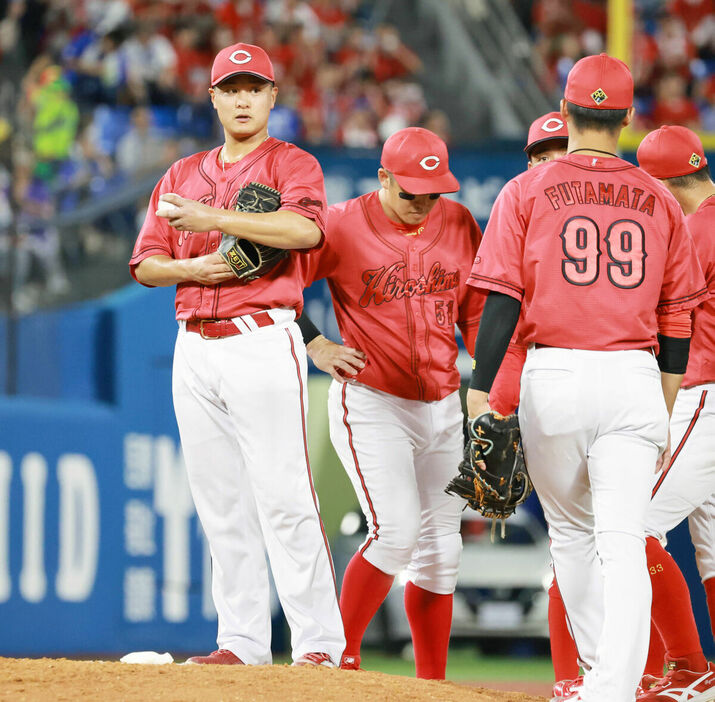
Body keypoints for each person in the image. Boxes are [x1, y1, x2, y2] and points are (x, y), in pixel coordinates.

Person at [465, 54, 708, 702]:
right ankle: (614, 687)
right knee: (623, 540)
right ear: (627, 118)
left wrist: (478, 390)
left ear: (566, 111)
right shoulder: (659, 197)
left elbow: (500, 300)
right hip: (634, 375)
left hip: (556, 375)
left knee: (571, 537)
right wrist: (658, 399)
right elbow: (678, 316)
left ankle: (599, 677)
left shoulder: (524, 190)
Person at [128, 42, 345, 667]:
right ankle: (243, 642)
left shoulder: (292, 164)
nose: (243, 98)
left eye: (255, 87)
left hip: (261, 337)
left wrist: (209, 215)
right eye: (232, 87)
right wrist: (195, 264)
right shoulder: (180, 174)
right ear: (215, 97)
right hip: (193, 346)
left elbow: (306, 231)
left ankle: (319, 647)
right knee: (220, 502)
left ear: (273, 96)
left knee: (285, 497)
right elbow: (145, 264)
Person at [296, 127, 485, 679]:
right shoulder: (339, 223)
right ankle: (336, 658)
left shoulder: (458, 222)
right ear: (383, 178)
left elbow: (474, 311)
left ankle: (432, 685)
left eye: (433, 191)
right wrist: (317, 342)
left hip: (446, 403)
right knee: (396, 531)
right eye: (411, 191)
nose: (424, 201)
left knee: (442, 552)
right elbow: (282, 287)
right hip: (373, 400)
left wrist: (494, 388)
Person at [634, 125, 715, 701]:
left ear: (664, 184)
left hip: (701, 395)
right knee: (711, 552)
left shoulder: (696, 231)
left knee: (626, 525)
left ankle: (688, 668)